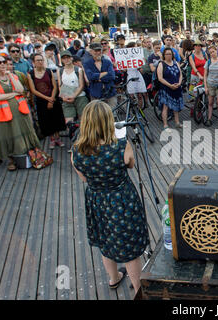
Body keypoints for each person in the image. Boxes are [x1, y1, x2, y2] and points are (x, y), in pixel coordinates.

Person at [71, 100, 149, 294]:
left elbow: (83, 178)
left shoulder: (77, 150)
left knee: (106, 241)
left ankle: (114, 278)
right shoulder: (121, 146)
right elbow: (130, 165)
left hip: (97, 201)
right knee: (129, 248)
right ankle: (138, 289)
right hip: (121, 199)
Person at [0, 54, 40, 171]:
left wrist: (10, 76)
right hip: (4, 113)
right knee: (8, 135)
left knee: (25, 132)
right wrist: (14, 94)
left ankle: (32, 157)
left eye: (4, 62)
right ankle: (11, 161)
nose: (2, 64)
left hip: (20, 110)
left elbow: (21, 89)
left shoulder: (12, 75)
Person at [27, 53, 66, 149]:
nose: (40, 62)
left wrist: (51, 98)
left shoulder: (48, 71)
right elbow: (33, 90)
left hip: (52, 98)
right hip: (41, 100)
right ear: (33, 62)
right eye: (38, 60)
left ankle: (58, 137)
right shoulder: (30, 74)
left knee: (56, 118)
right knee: (46, 119)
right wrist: (47, 99)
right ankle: (52, 138)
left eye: (41, 60)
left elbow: (54, 86)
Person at [56, 50, 88, 125]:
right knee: (69, 122)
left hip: (80, 97)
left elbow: (81, 85)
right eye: (64, 58)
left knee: (83, 120)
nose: (66, 60)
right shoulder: (60, 71)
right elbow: (60, 85)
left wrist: (73, 96)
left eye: (68, 57)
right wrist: (63, 97)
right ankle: (72, 134)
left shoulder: (78, 70)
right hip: (66, 98)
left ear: (71, 58)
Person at [157, 47, 184, 131]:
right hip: (166, 89)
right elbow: (160, 78)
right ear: (164, 55)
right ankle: (165, 125)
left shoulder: (175, 62)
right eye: (167, 54)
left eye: (170, 54)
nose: (169, 55)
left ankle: (177, 122)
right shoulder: (161, 64)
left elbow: (180, 74)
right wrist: (170, 85)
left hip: (177, 87)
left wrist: (179, 83)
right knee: (166, 107)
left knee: (176, 106)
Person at [83, 42, 116, 107]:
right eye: (96, 51)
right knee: (98, 115)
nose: (98, 53)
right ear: (91, 52)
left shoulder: (107, 62)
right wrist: (105, 74)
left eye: (99, 50)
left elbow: (112, 76)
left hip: (110, 92)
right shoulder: (87, 64)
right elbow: (90, 77)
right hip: (96, 94)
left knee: (112, 114)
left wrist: (98, 78)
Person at [204, 45, 218, 127]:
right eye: (210, 53)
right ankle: (209, 118)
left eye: (213, 51)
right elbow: (205, 75)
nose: (212, 54)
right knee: (210, 102)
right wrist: (206, 87)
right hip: (210, 84)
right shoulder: (208, 62)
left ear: (216, 51)